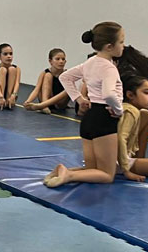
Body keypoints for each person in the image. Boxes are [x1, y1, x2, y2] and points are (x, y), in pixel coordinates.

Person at [44, 73, 148, 187]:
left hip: (109, 156)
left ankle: (66, 171)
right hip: (117, 161)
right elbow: (121, 139)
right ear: (130, 95)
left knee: (94, 169)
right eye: (146, 93)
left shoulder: (123, 108)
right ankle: (70, 174)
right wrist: (127, 170)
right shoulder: (131, 112)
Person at [43, 23, 125, 187]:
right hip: (104, 118)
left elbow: (65, 77)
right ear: (109, 46)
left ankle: (62, 170)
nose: (123, 46)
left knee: (92, 169)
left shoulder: (90, 62)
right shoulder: (109, 68)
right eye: (121, 42)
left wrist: (79, 99)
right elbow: (109, 94)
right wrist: (119, 110)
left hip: (89, 118)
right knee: (107, 174)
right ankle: (69, 175)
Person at [24, 48, 70, 114]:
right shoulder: (44, 73)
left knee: (70, 86)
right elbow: (37, 89)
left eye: (63, 59)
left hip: (59, 103)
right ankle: (44, 105)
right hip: (46, 99)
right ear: (50, 61)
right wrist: (28, 101)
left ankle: (44, 105)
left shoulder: (67, 74)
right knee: (48, 75)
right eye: (57, 59)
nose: (61, 61)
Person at [0, 43, 20, 110]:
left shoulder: (17, 68)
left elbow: (17, 83)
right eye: (5, 54)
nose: (9, 56)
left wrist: (13, 95)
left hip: (10, 95)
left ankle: (8, 98)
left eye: (11, 54)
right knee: (2, 70)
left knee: (12, 69)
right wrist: (0, 96)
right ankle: (2, 98)